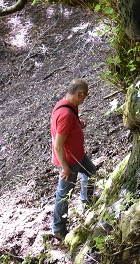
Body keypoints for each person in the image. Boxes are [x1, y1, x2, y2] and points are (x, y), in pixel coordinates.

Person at [50, 78, 96, 241]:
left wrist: (78, 124)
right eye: (85, 96)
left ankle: (86, 201)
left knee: (91, 172)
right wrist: (65, 168)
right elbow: (58, 145)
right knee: (64, 194)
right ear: (78, 94)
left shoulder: (68, 105)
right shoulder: (66, 115)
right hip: (69, 161)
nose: (85, 99)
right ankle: (58, 229)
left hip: (78, 155)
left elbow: (67, 128)